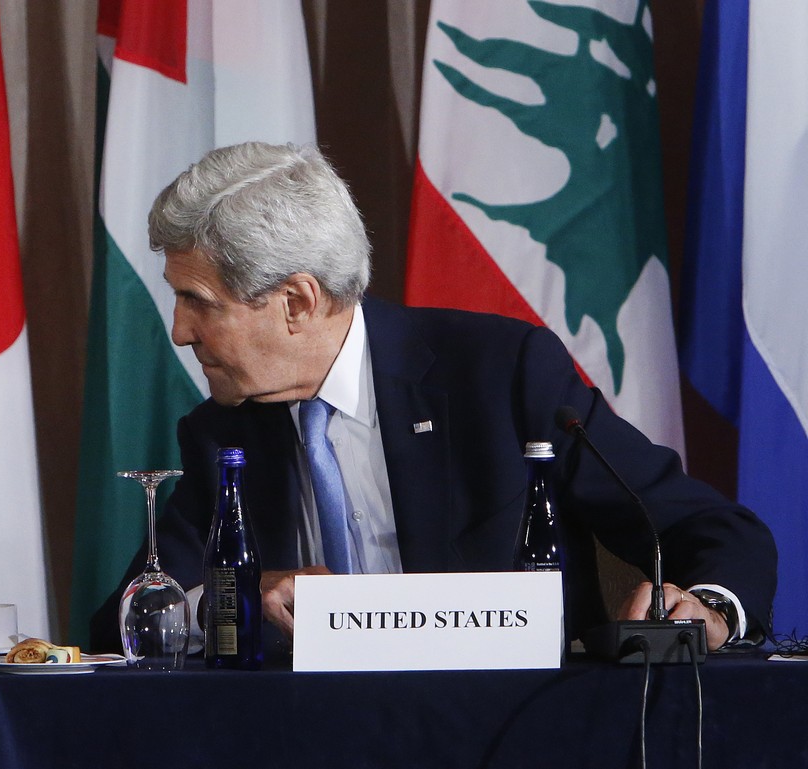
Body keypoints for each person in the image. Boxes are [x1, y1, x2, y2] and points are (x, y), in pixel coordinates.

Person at [91, 142, 776, 657]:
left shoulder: (499, 374)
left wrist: (707, 606)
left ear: (298, 301)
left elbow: (713, 532)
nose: (179, 331)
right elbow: (125, 620)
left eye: (197, 302)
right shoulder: (221, 432)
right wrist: (245, 590)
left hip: (510, 734)